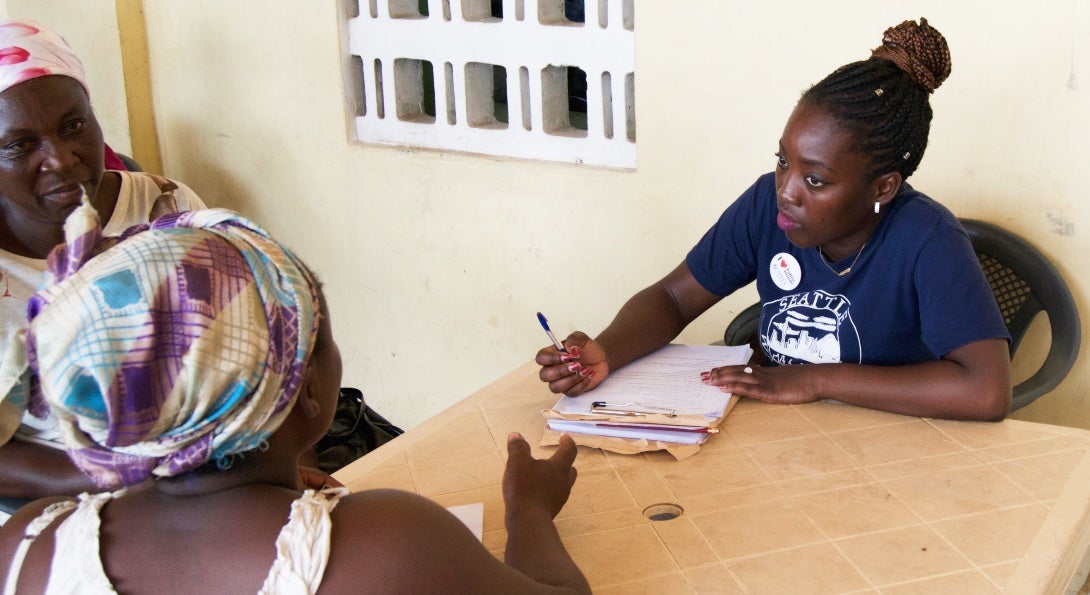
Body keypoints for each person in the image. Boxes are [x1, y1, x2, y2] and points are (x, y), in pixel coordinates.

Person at [0, 204, 590, 593]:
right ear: (306, 391)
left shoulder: (27, 546)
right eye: (323, 338)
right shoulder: (387, 544)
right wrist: (528, 509)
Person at [537, 18, 1012, 422]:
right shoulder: (769, 203)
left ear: (882, 187)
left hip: (885, 446)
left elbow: (986, 390)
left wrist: (815, 379)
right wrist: (606, 352)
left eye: (817, 180)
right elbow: (672, 298)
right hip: (777, 433)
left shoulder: (928, 240)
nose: (787, 191)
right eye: (783, 161)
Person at [0, 18, 209, 500]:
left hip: (201, 472)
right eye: (20, 145)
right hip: (56, 505)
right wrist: (123, 477)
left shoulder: (165, 207)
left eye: (73, 125)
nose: (61, 158)